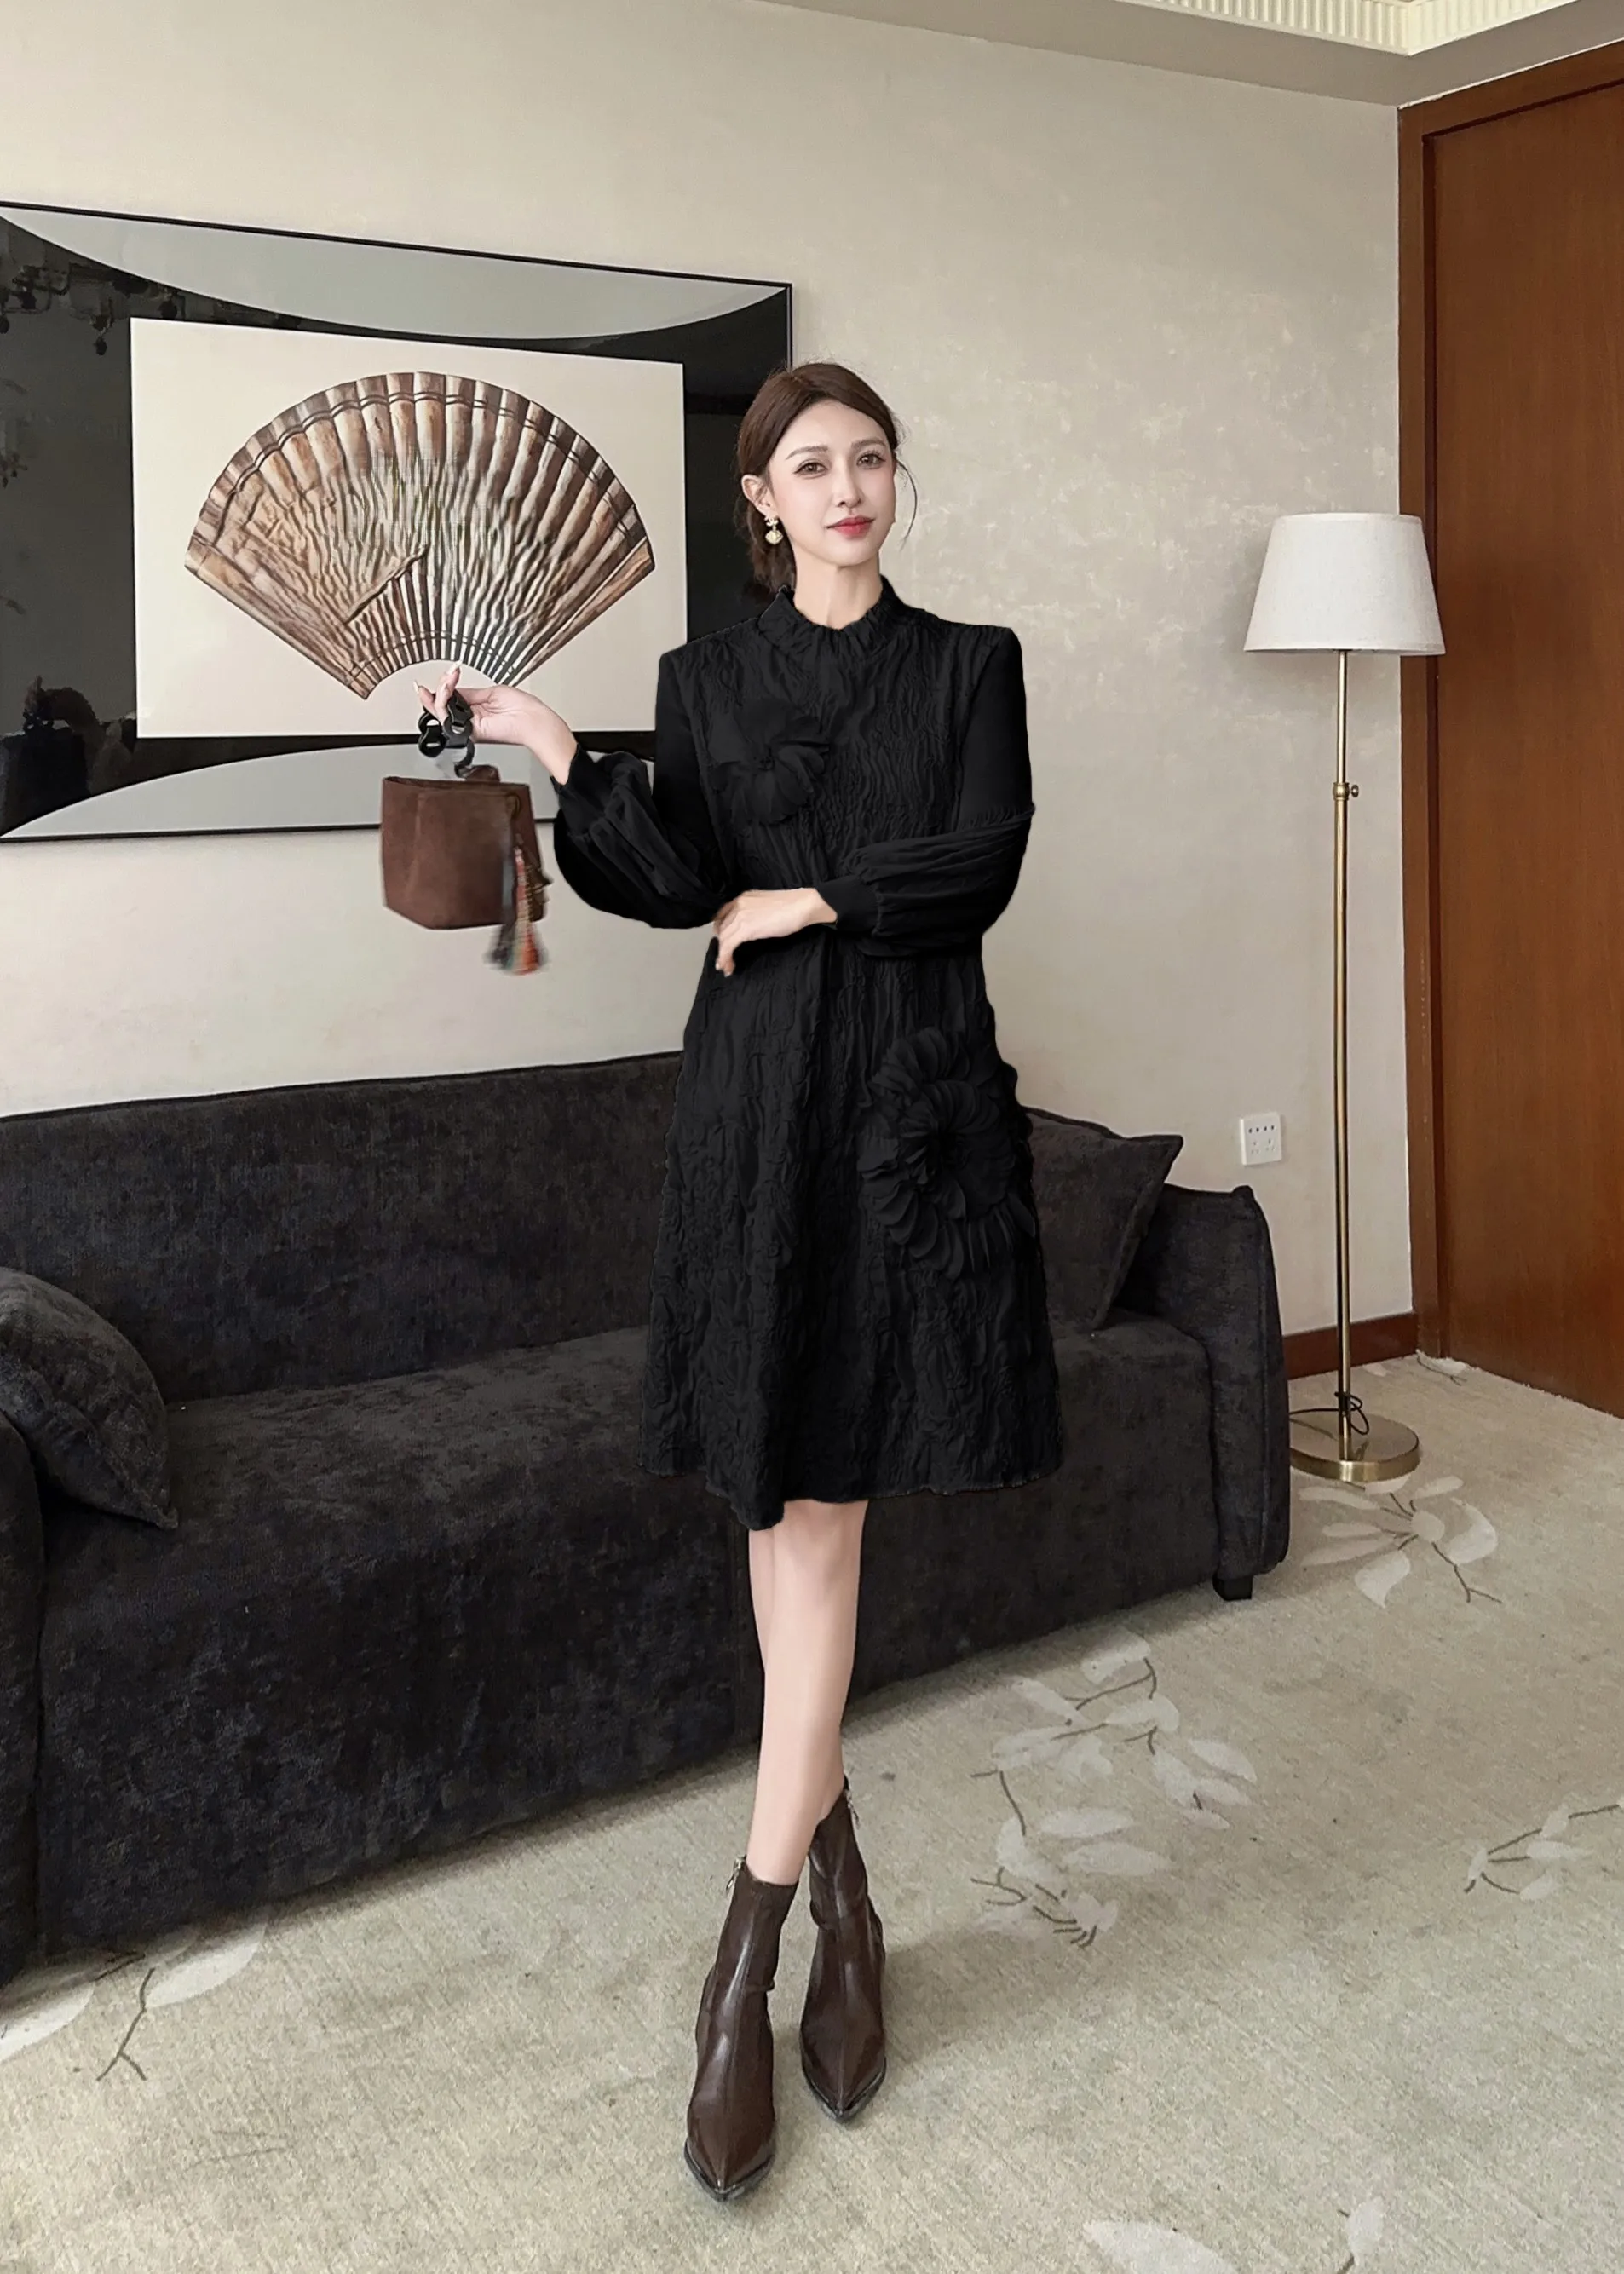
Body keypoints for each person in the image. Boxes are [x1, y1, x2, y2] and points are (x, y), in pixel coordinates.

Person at [418, 360, 1063, 2203]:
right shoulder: (703, 681)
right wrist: (557, 745)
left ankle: (744, 1960)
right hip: (754, 1116)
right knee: (776, 1511)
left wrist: (815, 901)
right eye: (810, 466)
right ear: (761, 503)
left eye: (871, 459)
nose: (847, 486)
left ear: (891, 483)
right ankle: (849, 1906)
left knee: (823, 1529)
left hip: (903, 1105)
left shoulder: (973, 664)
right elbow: (670, 874)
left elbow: (981, 860)